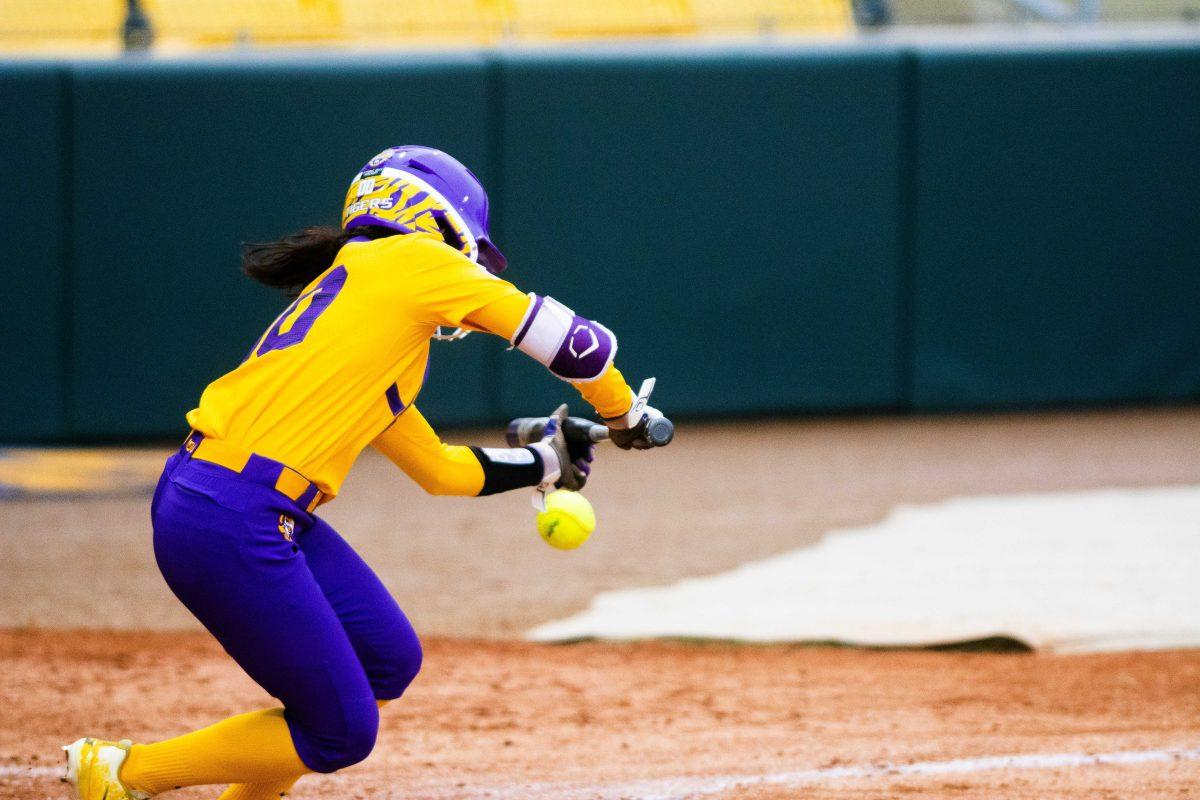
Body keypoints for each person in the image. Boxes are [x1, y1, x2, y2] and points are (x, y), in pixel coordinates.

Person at [62, 146, 668, 800]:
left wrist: (546, 461)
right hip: (233, 512)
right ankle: (121, 775)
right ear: (438, 218)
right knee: (341, 733)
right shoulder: (412, 262)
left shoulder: (371, 308)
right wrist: (624, 409)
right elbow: (572, 340)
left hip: (244, 506)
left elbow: (439, 470)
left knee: (389, 659)